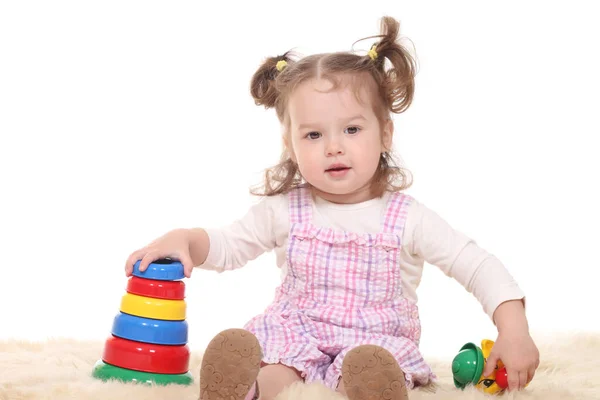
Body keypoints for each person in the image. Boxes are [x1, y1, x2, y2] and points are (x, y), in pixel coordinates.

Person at [124, 15, 539, 400]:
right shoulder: (286, 210)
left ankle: (364, 387)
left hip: (372, 344)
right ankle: (245, 383)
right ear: (290, 145)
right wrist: (184, 240)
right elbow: (228, 245)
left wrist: (513, 329)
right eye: (313, 135)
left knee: (365, 371)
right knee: (274, 373)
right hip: (295, 335)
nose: (334, 146)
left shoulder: (407, 218)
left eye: (352, 129)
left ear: (386, 133)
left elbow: (476, 265)